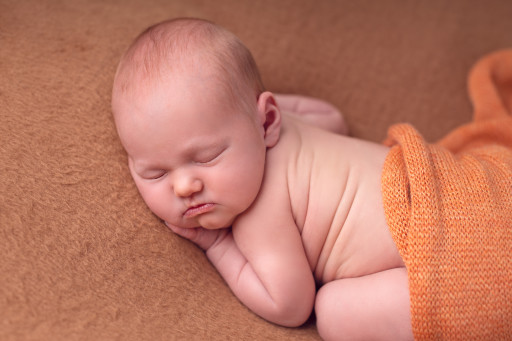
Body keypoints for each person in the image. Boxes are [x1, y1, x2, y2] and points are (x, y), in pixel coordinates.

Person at [112, 18, 512, 341]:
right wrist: (238, 110)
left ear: (267, 121)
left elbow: (290, 305)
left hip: (460, 257)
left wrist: (218, 245)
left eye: (208, 156)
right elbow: (332, 118)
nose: (184, 187)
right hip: (481, 196)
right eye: (156, 172)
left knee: (333, 312)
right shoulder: (290, 125)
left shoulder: (258, 215)